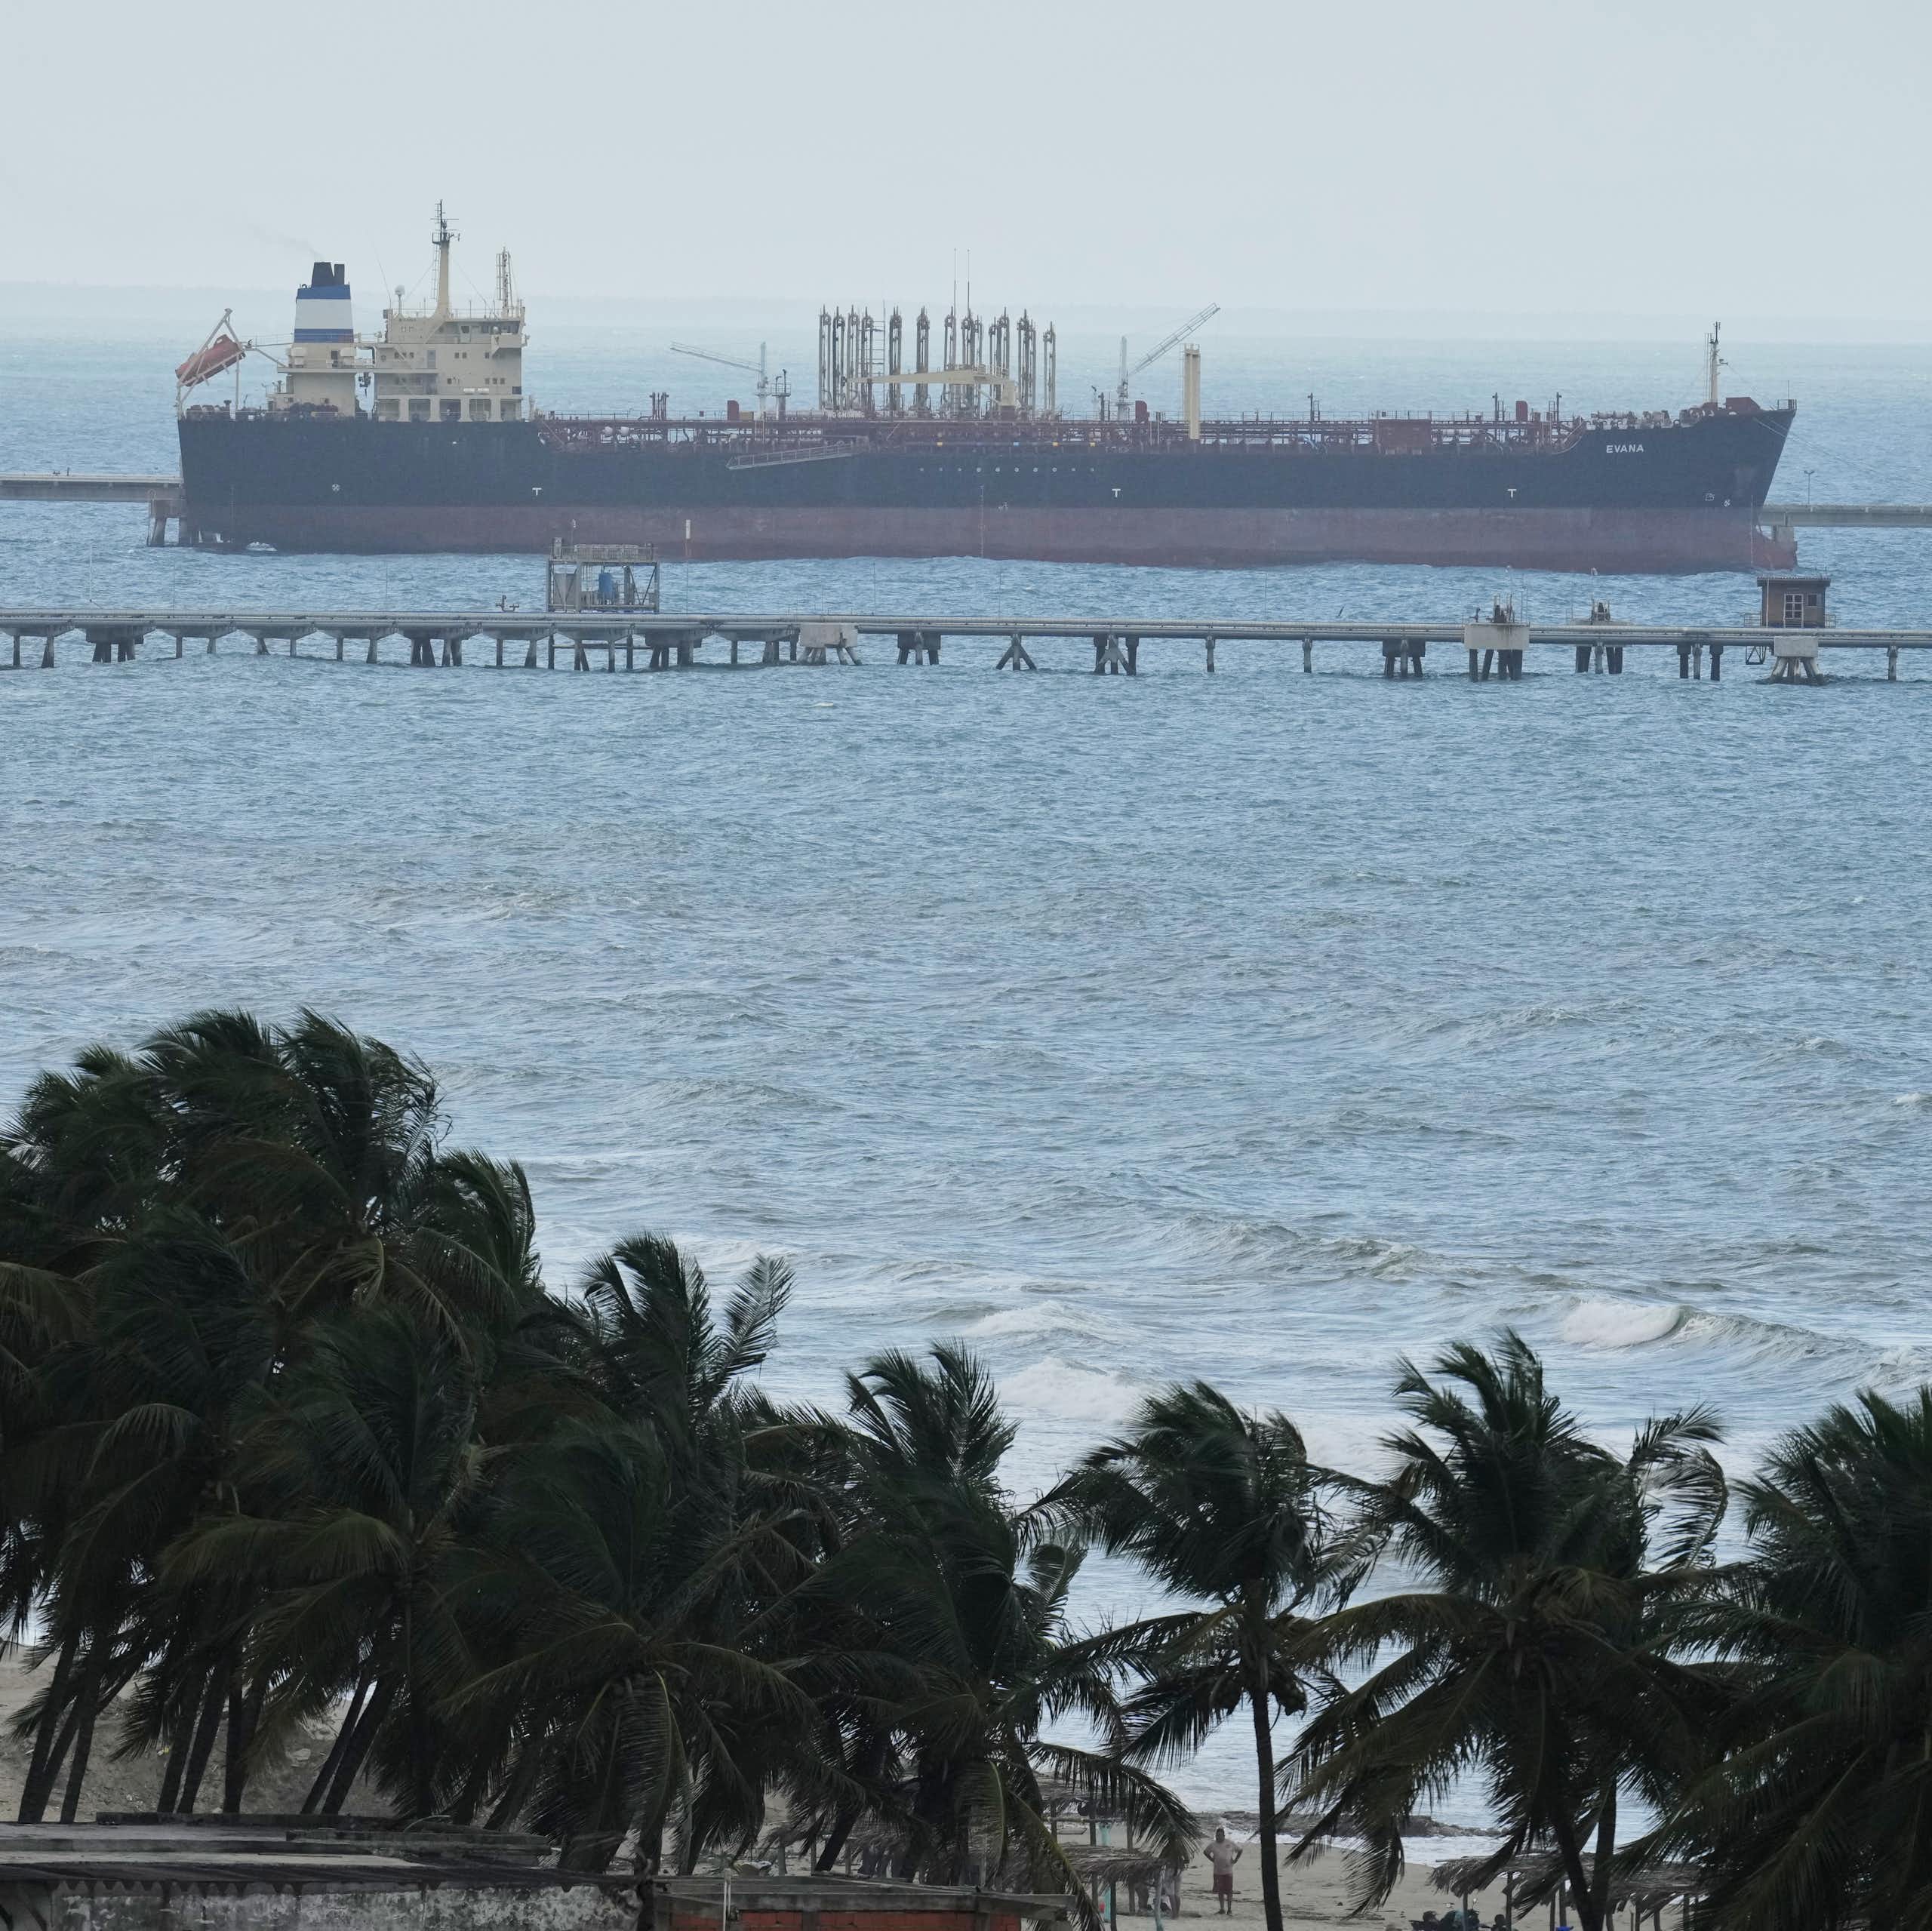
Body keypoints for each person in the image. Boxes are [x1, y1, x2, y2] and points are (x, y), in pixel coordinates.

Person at [1202, 1828, 1242, 1916]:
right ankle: (1222, 1909)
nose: (1218, 1837)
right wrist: (1212, 1859)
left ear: (1224, 1836)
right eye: (1217, 1835)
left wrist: (1235, 1860)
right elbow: (1205, 1852)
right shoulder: (1213, 1845)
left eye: (1220, 1835)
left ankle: (1230, 1909)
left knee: (1229, 1891)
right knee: (1220, 1891)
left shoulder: (1230, 1843)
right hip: (1217, 1872)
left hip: (1228, 1871)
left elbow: (1240, 1850)